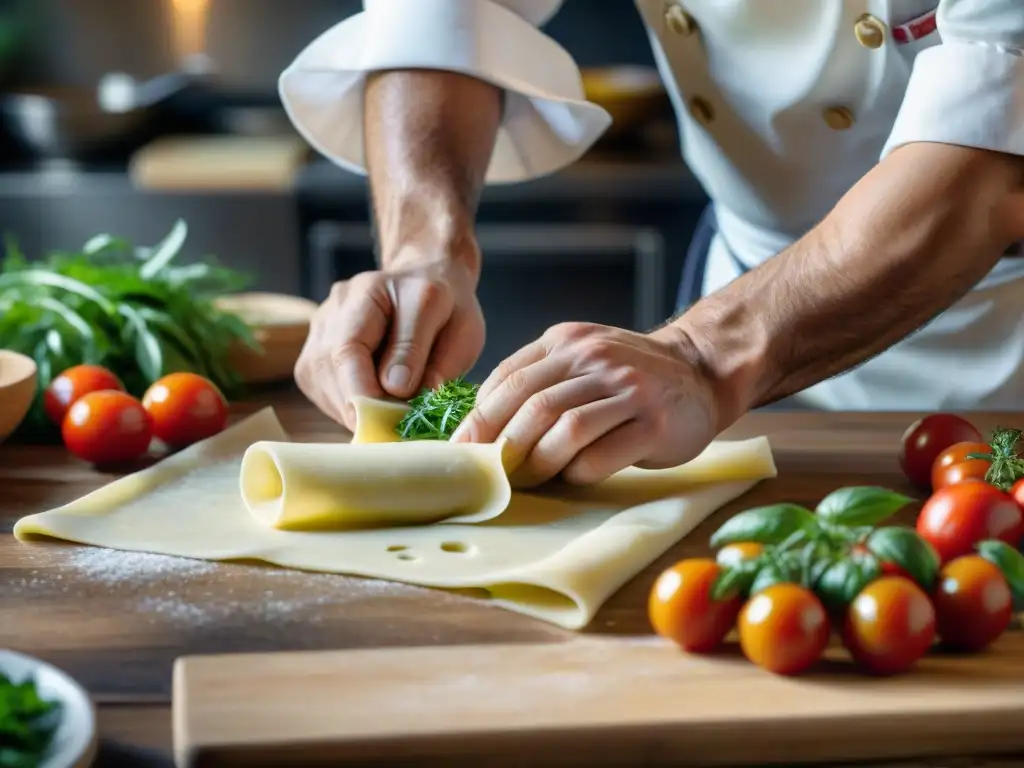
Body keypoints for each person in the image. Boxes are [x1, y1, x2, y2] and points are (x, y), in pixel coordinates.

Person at [279, 0, 1024, 486]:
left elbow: (987, 168)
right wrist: (423, 245)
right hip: (745, 287)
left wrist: (704, 356)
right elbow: (444, 14)